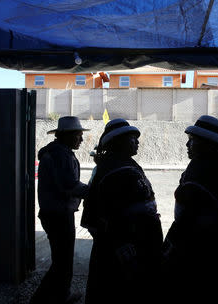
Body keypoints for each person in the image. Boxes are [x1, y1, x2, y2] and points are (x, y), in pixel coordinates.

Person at [162, 115, 218, 303]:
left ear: (208, 144)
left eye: (192, 141)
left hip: (202, 250)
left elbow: (188, 218)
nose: (188, 146)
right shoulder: (217, 167)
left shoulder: (201, 170)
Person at [80, 118, 163, 304]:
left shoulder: (117, 164)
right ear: (119, 142)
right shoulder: (118, 170)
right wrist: (124, 250)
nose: (138, 141)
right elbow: (108, 216)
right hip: (125, 250)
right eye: (132, 138)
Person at [30, 116, 90, 304]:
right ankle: (41, 299)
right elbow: (70, 185)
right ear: (67, 136)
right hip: (59, 215)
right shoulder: (61, 156)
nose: (81, 139)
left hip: (53, 213)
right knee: (62, 262)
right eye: (78, 135)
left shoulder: (56, 152)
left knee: (62, 259)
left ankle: (61, 294)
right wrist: (96, 191)